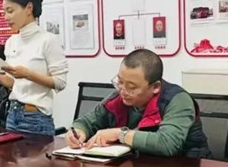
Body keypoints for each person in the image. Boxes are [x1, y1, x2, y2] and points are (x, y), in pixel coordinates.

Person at [66, 49, 211, 158]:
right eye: (120, 82)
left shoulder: (178, 100)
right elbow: (86, 122)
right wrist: (78, 132)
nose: (123, 91)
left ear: (155, 87)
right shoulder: (118, 98)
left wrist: (120, 134)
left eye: (132, 87)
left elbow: (167, 143)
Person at [0, 0, 67, 136]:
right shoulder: (11, 42)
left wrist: (28, 74)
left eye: (10, 11)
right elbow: (15, 84)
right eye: (4, 12)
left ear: (29, 8)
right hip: (12, 115)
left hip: (36, 118)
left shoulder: (48, 40)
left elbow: (60, 83)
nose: (6, 17)